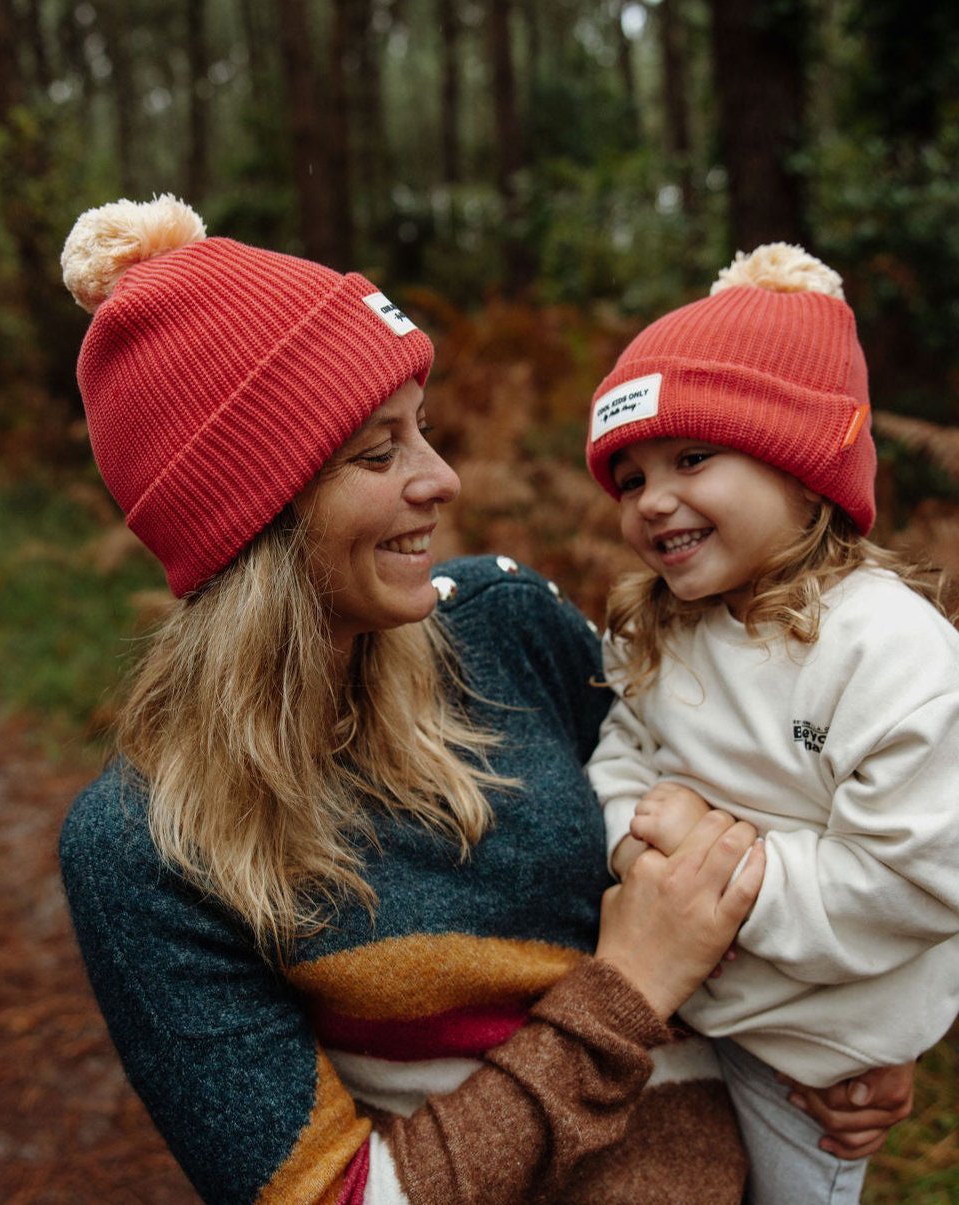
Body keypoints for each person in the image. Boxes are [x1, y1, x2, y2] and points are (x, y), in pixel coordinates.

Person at [57, 198, 909, 1205]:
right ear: (253, 520)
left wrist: (834, 1040)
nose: (441, 478)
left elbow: (738, 837)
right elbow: (332, 1195)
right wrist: (623, 994)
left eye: (424, 430)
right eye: (378, 453)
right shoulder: (144, 846)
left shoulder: (505, 629)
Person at [584, 243, 959, 1205]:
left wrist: (720, 881)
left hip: (817, 1054)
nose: (653, 498)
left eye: (692, 458)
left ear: (803, 469)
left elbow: (913, 877)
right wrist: (636, 845)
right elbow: (624, 752)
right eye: (629, 478)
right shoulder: (664, 626)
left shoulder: (887, 652)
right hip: (692, 1010)